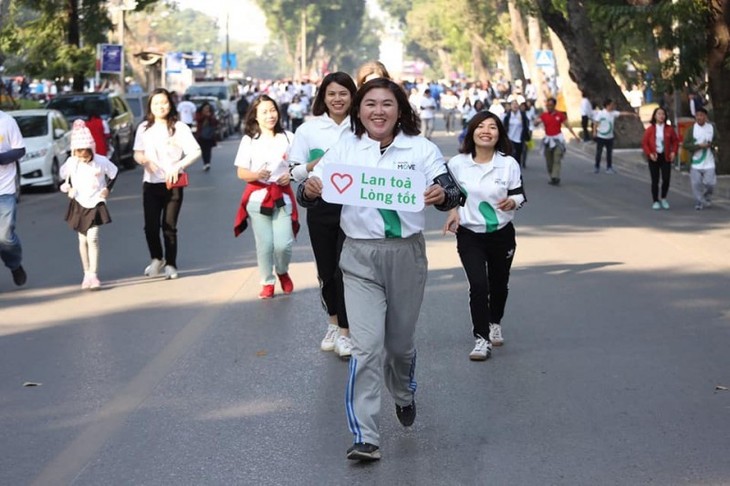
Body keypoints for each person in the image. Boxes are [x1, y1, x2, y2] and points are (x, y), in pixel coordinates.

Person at [299, 78, 462, 462]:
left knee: (399, 347)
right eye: (369, 103)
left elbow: (453, 190)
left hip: (406, 255)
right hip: (358, 257)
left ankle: (403, 393)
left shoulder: (420, 148)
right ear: (359, 110)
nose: (378, 111)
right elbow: (309, 188)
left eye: (386, 104)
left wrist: (442, 195)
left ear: (400, 109)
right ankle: (366, 436)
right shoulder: (346, 147)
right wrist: (309, 190)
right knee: (366, 347)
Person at [443, 111, 525, 360]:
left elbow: (520, 194)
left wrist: (513, 202)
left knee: (499, 283)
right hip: (470, 235)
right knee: (479, 285)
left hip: (501, 234)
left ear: (499, 133)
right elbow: (450, 195)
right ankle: (481, 338)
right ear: (472, 132)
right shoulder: (457, 164)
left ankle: (494, 322)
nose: (486, 131)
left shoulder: (508, 163)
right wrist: (453, 211)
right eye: (480, 126)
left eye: (492, 127)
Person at [288, 72, 356, 357]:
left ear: (353, 96)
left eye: (343, 93)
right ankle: (332, 322)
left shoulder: (363, 126)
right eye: (332, 94)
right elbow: (293, 172)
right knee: (327, 271)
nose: (338, 99)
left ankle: (345, 331)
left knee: (345, 270)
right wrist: (315, 168)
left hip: (356, 207)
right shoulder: (308, 130)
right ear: (323, 98)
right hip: (321, 207)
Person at [233, 95, 299, 299]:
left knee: (283, 244)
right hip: (257, 198)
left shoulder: (288, 137)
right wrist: (256, 175)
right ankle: (267, 282)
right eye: (264, 112)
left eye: (273, 110)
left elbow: (299, 165)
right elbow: (241, 172)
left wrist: (291, 176)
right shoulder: (249, 140)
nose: (270, 115)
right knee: (265, 244)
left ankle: (282, 270)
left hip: (282, 197)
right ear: (255, 116)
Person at [133, 88, 202, 280]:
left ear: (170, 104)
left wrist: (178, 166)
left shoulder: (179, 128)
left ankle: (171, 264)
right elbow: (137, 152)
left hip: (173, 184)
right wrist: (145, 162)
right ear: (150, 106)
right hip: (151, 183)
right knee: (150, 226)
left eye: (164, 102)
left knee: (169, 226)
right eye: (156, 103)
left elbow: (195, 151)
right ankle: (157, 258)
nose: (160, 106)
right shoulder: (144, 128)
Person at [60, 120, 118, 289]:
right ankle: (86, 273)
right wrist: (68, 188)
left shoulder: (101, 161)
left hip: (95, 201)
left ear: (91, 150)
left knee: (92, 237)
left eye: (86, 154)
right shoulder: (72, 163)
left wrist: (107, 189)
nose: (83, 158)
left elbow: (114, 173)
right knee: (82, 238)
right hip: (78, 202)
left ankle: (94, 273)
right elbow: (63, 177)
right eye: (79, 154)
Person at [0, 109, 27, 287]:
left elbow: (20, 150)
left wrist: (2, 158)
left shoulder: (6, 121)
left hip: (4, 189)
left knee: (4, 237)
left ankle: (14, 265)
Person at [533, 97, 578, 185]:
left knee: (557, 158)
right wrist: (536, 122)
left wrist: (575, 136)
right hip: (548, 140)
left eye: (550, 105)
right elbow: (536, 122)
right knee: (549, 161)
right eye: (547, 105)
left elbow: (568, 125)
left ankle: (555, 177)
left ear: (554, 105)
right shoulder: (544, 115)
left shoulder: (560, 115)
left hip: (558, 140)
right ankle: (552, 176)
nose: (549, 107)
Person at [641, 107, 678, 210]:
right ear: (655, 116)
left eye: (663, 114)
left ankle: (664, 197)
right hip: (654, 156)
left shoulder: (669, 129)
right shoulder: (650, 129)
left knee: (666, 179)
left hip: (665, 156)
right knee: (655, 180)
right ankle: (655, 200)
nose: (661, 116)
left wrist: (673, 152)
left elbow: (675, 141)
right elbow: (645, 143)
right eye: (659, 114)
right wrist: (649, 154)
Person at [682, 107, 718, 210]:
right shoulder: (691, 130)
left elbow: (717, 140)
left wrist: (711, 145)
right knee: (696, 184)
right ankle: (699, 201)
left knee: (710, 183)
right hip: (695, 162)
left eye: (701, 115)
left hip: (709, 161)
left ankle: (706, 197)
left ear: (705, 117)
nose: (699, 117)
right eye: (697, 115)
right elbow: (685, 145)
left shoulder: (711, 128)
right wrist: (699, 146)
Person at [592, 98, 625, 174]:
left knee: (609, 153)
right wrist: (594, 132)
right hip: (601, 136)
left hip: (610, 137)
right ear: (607, 105)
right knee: (599, 152)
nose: (613, 106)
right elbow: (596, 123)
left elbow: (622, 113)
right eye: (611, 105)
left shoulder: (613, 113)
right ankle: (597, 167)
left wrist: (632, 114)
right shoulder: (601, 113)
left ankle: (609, 167)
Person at [502, 100, 530, 165]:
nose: (515, 106)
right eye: (513, 104)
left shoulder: (522, 115)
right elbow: (504, 127)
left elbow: (526, 126)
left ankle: (517, 171)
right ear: (510, 106)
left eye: (516, 104)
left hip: (519, 139)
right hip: (509, 138)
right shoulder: (507, 115)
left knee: (518, 156)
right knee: (510, 156)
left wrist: (527, 137)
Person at [194, 102, 218, 171]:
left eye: (208, 108)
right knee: (203, 150)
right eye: (205, 108)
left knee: (208, 150)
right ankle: (205, 163)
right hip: (201, 135)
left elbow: (215, 122)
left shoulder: (211, 114)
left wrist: (210, 116)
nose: (207, 109)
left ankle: (208, 163)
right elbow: (198, 120)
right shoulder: (199, 114)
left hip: (209, 135)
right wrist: (205, 116)